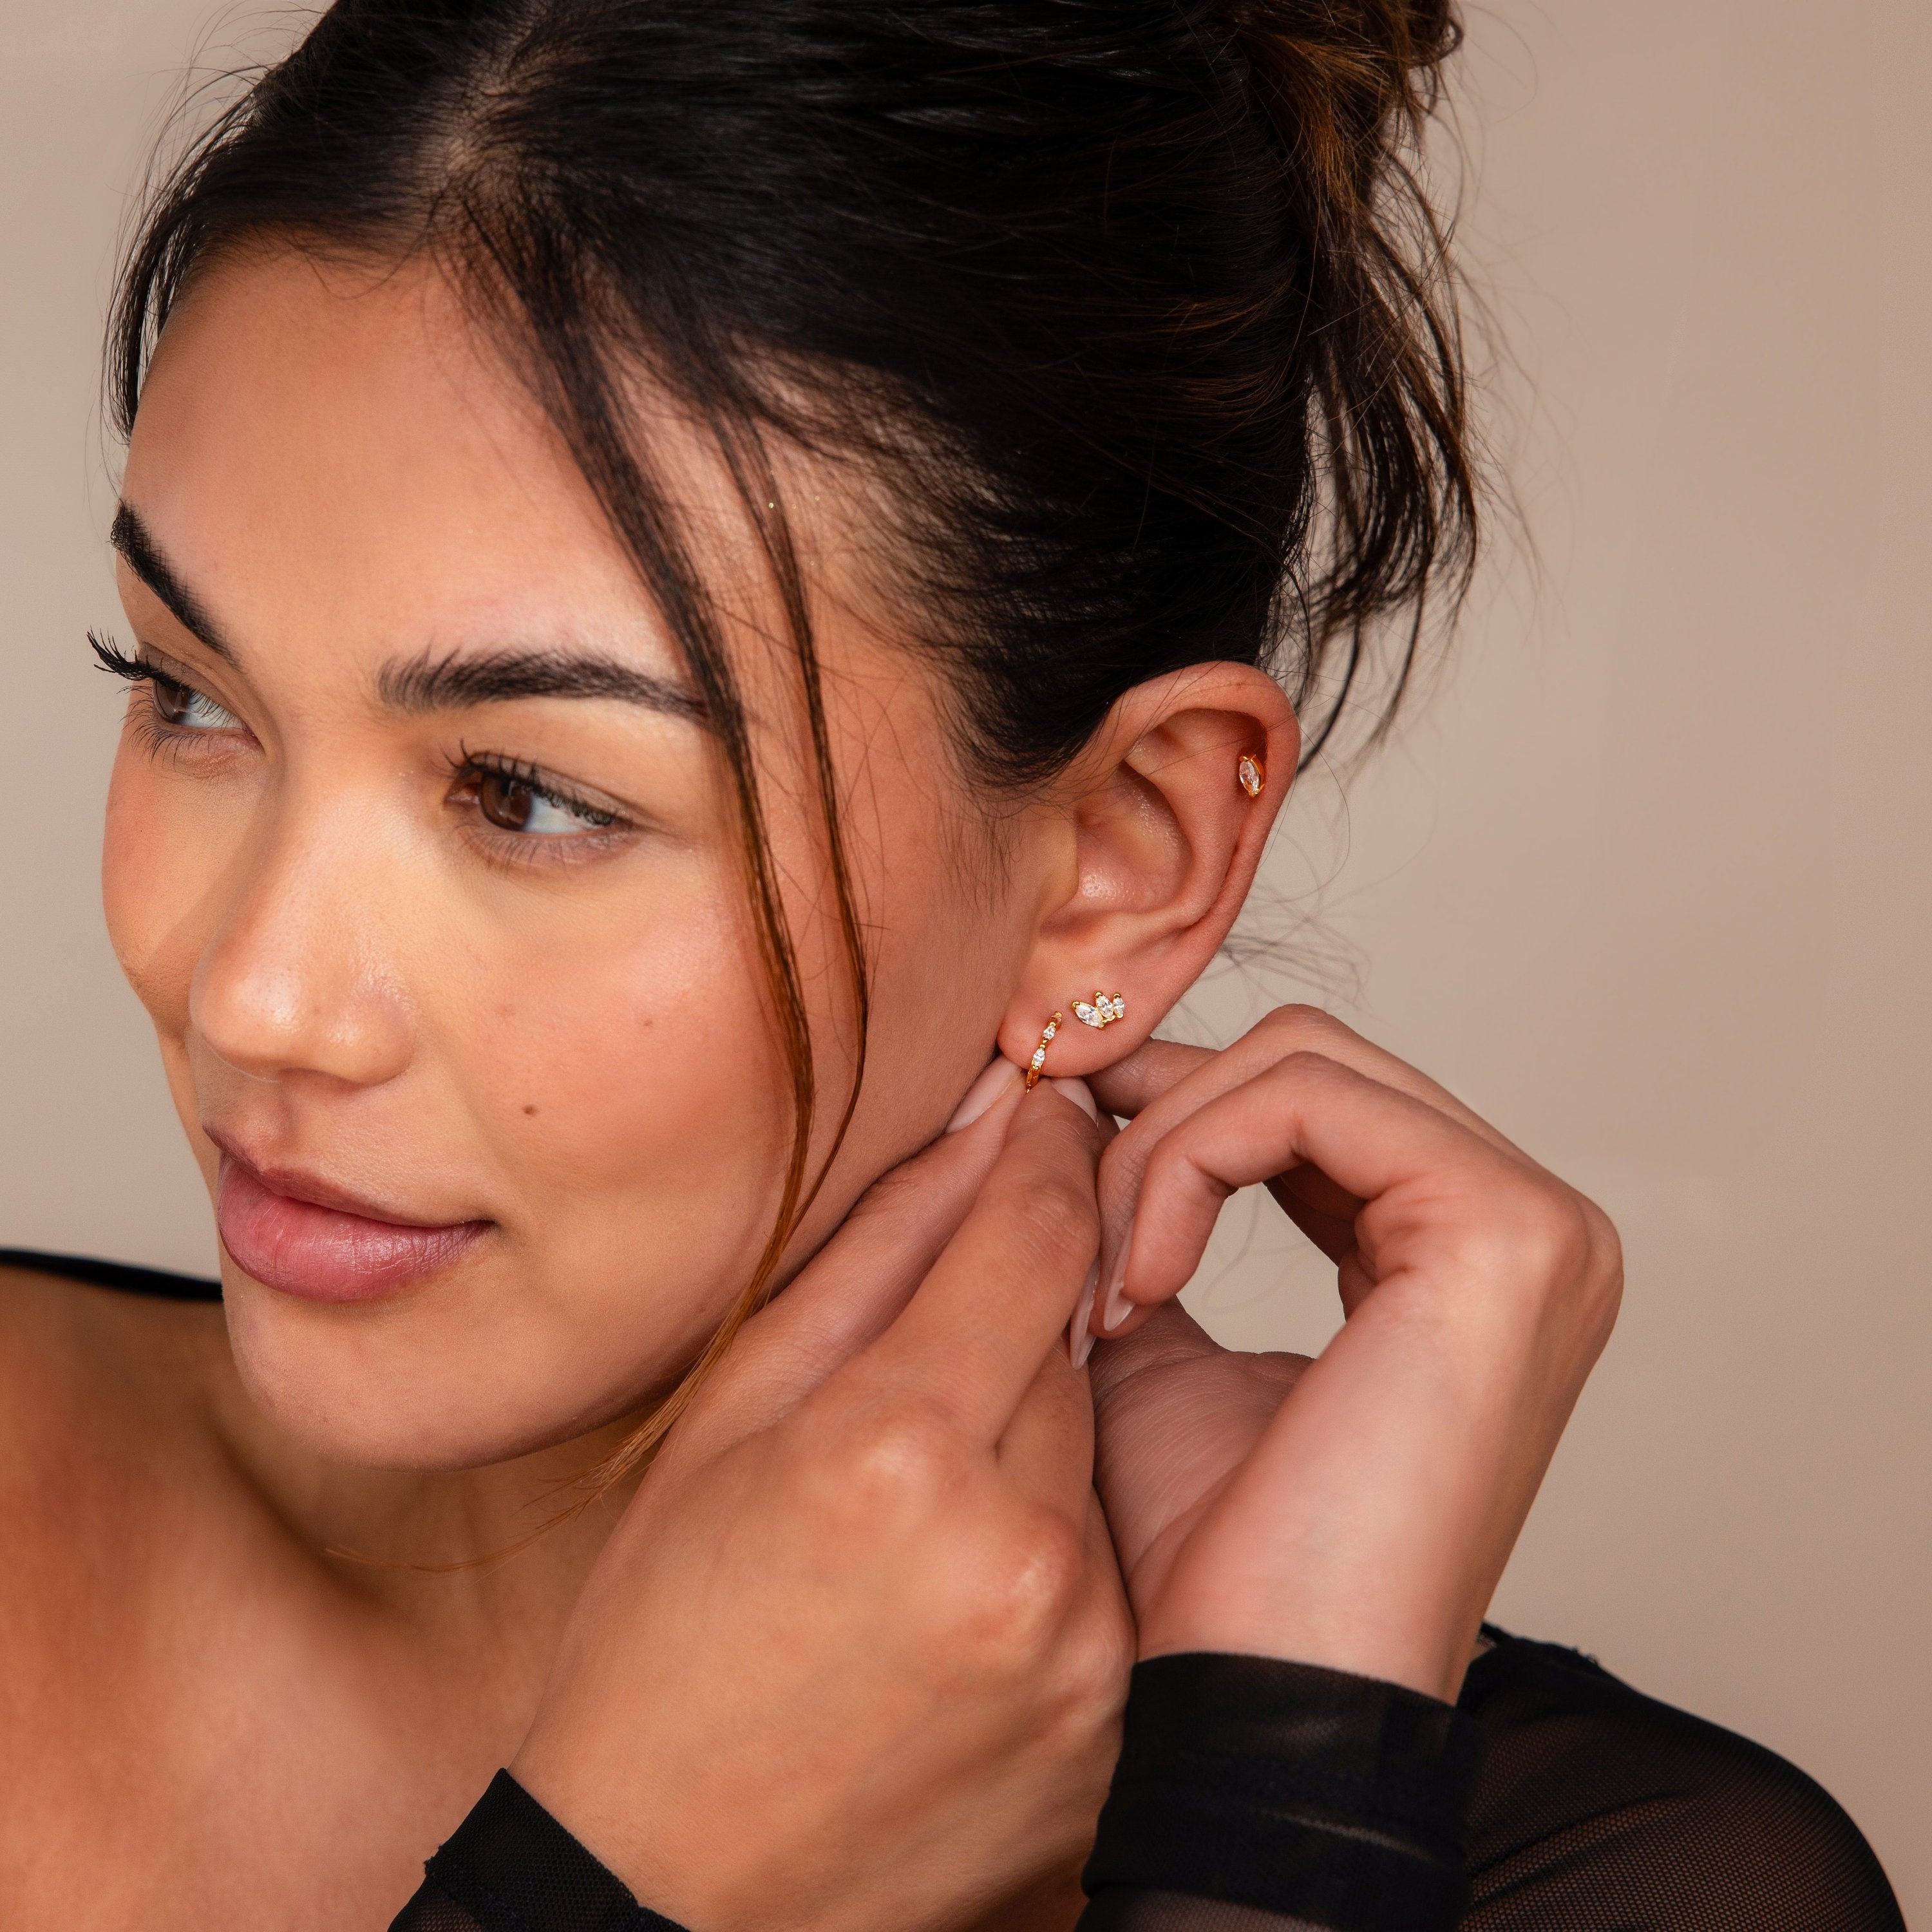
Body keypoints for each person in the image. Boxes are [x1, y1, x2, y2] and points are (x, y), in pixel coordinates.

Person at [0, 1, 1904, 1927]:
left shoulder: (1613, 1886)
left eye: (528, 794)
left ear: (1118, 862)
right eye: (185, 691)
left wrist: (1265, 1815)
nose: (247, 993)